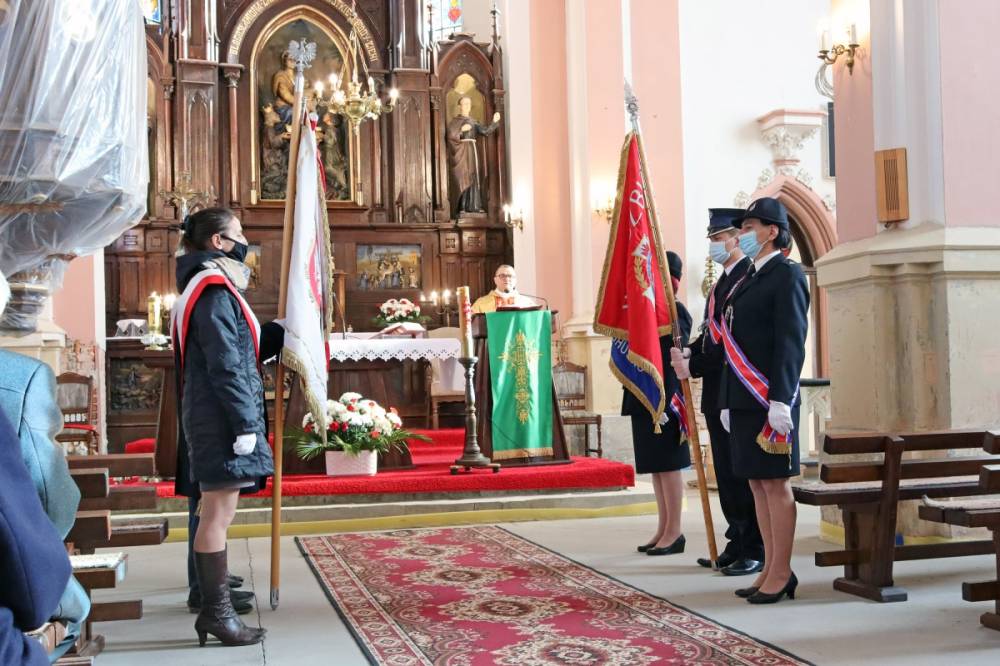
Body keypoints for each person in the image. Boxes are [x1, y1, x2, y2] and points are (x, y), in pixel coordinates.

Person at [172, 207, 284, 646]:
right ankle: (216, 615)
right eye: (238, 233)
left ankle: (214, 611)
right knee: (218, 515)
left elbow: (233, 351)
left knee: (214, 513)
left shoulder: (204, 284)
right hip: (219, 418)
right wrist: (244, 423)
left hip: (212, 413)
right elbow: (226, 364)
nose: (245, 241)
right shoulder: (214, 288)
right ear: (217, 241)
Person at [716, 197, 809, 604]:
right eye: (742, 228)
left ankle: (782, 571)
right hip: (744, 397)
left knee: (775, 484)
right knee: (756, 483)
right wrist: (726, 398)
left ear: (772, 231)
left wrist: (780, 400)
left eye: (750, 227)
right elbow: (733, 343)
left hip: (771, 399)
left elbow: (791, 341)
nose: (743, 235)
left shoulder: (787, 275)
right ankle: (770, 566)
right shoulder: (748, 278)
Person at [671, 209, 764, 576]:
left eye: (718, 238)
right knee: (724, 471)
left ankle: (753, 546)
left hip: (737, 389)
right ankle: (735, 540)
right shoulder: (721, 283)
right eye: (711, 239)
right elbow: (711, 334)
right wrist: (691, 352)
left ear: (736, 238)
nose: (713, 245)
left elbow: (731, 344)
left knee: (741, 473)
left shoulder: (746, 278)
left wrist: (693, 364)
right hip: (717, 391)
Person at [623, 251, 692, 557]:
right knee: (655, 467)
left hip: (666, 400)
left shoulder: (676, 312)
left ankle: (675, 530)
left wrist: (665, 399)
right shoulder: (642, 314)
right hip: (643, 397)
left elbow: (678, 356)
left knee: (670, 465)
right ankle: (663, 527)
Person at [446, 95, 501, 215]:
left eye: (468, 104)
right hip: (461, 151)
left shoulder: (474, 121)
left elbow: (486, 131)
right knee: (463, 176)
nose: (467, 106)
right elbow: (450, 135)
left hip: (472, 149)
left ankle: (474, 205)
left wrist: (494, 122)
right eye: (464, 104)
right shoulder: (455, 122)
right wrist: (461, 130)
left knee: (473, 175)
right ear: (459, 106)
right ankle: (463, 206)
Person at [471, 265, 535, 313]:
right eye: (502, 276)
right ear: (495, 280)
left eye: (510, 276)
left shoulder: (527, 303)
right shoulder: (481, 303)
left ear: (515, 280)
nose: (506, 279)